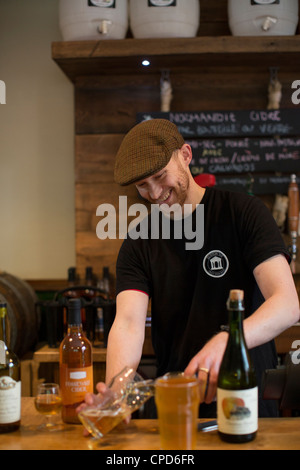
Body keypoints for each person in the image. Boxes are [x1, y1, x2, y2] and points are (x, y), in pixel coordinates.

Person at [86, 118, 300, 418]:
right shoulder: (139, 241)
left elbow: (287, 304)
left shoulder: (243, 214)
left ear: (185, 155)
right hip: (177, 402)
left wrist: (230, 339)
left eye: (161, 176)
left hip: (246, 400)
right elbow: (128, 324)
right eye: (142, 186)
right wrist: (114, 396)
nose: (155, 193)